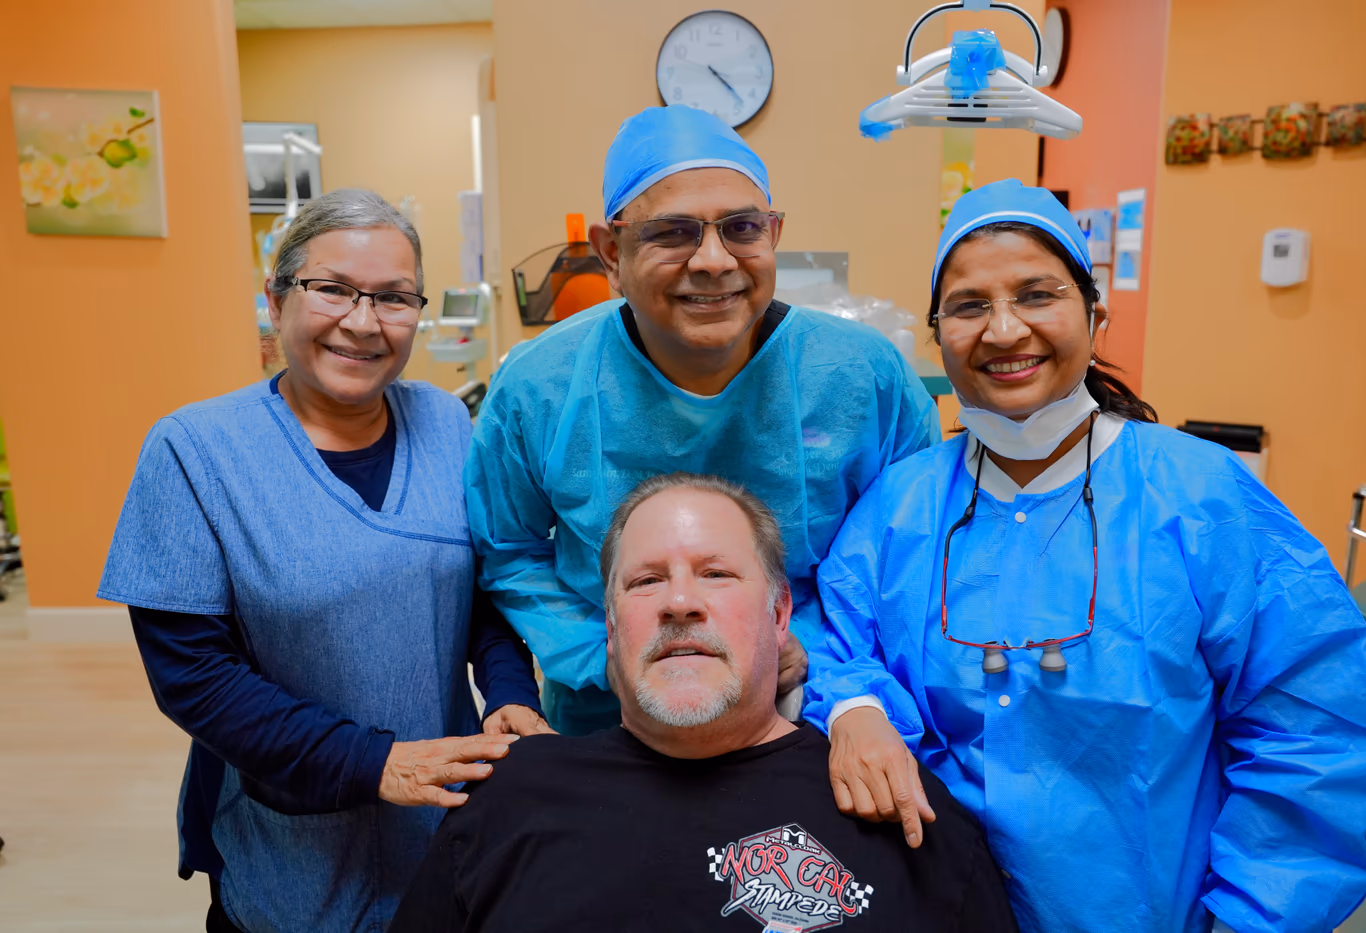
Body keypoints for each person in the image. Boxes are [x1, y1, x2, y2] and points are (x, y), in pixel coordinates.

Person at [803, 179, 1366, 933]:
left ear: (1095, 313)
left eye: (1037, 294)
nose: (1004, 329)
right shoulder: (901, 506)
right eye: (969, 305)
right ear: (939, 334)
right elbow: (831, 639)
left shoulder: (1197, 495)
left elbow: (1315, 728)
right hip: (936, 908)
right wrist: (856, 706)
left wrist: (1253, 918)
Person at [98, 189, 551, 933]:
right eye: (333, 289)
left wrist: (508, 690)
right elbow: (194, 679)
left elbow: (479, 594)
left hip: (445, 825)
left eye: (395, 298)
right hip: (292, 843)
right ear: (276, 301)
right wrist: (375, 763)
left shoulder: (445, 423)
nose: (364, 322)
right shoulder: (194, 450)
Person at [467, 105, 934, 736]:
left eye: (742, 228)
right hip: (609, 721)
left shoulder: (861, 376)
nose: (714, 260)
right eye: (673, 232)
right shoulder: (541, 387)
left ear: (773, 235)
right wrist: (612, 659)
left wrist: (814, 656)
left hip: (813, 708)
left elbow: (908, 552)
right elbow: (510, 553)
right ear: (611, 252)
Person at [392, 473, 1017, 932]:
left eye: (716, 574)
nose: (680, 602)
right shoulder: (508, 801)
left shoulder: (895, 805)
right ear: (611, 629)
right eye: (646, 581)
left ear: (779, 616)